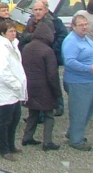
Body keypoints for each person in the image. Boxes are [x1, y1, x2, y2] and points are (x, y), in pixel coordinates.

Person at [62, 15, 93, 151]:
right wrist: (88, 68)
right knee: (79, 111)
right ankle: (76, 140)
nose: (85, 27)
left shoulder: (85, 38)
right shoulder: (71, 41)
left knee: (87, 110)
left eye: (86, 24)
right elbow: (69, 61)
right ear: (73, 27)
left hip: (91, 81)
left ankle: (74, 133)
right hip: (80, 82)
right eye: (81, 25)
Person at [19, 0, 67, 116]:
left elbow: (60, 37)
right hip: (33, 57)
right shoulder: (31, 21)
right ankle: (37, 112)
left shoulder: (52, 22)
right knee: (37, 84)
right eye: (35, 9)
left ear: (46, 10)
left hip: (49, 55)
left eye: (40, 9)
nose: (37, 12)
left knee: (52, 79)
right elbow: (24, 36)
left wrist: (53, 50)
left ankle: (58, 105)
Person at [21, 22, 62, 151]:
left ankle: (27, 137)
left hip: (29, 86)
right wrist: (57, 93)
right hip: (45, 88)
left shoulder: (27, 48)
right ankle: (47, 142)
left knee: (33, 112)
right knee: (49, 115)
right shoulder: (47, 51)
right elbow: (52, 75)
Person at [0, 20, 27, 160]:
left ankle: (11, 145)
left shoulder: (13, 45)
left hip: (14, 90)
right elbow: (2, 72)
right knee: (5, 120)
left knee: (15, 118)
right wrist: (15, 84)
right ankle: (3, 149)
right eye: (10, 31)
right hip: (7, 89)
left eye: (14, 31)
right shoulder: (1, 49)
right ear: (2, 34)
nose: (14, 33)